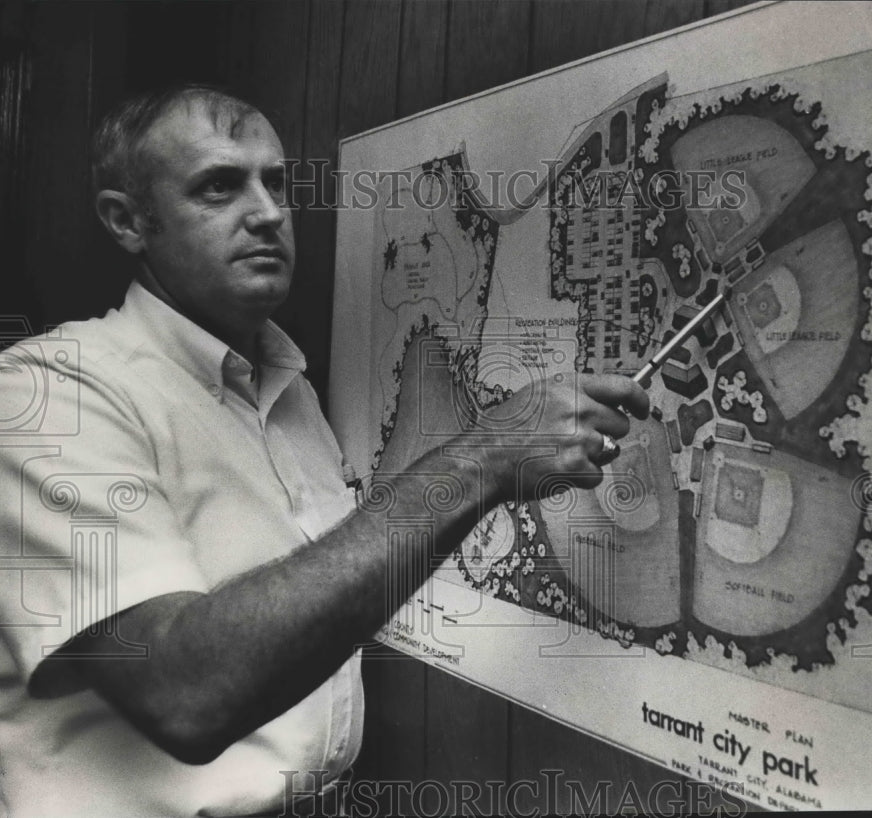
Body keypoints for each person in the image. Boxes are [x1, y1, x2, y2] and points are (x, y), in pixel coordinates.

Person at [0, 86, 648, 817]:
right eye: (219, 186)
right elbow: (182, 693)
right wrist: (488, 455)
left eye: (275, 182)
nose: (271, 212)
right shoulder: (47, 393)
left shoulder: (289, 387)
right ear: (127, 220)